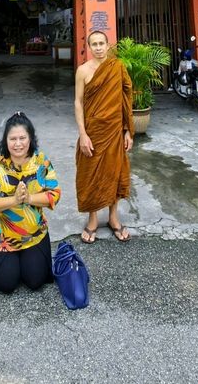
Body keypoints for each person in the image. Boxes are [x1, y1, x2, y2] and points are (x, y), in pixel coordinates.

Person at [0, 111, 61, 293]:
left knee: (35, 282)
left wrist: (30, 198)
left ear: (30, 138)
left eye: (22, 138)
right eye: (13, 139)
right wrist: (14, 200)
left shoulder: (41, 162)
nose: (18, 144)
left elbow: (54, 194)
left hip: (33, 234)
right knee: (6, 285)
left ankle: (24, 262)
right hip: (2, 237)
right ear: (5, 141)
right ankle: (13, 264)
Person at [74, 31, 134, 243]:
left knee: (114, 173)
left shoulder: (117, 68)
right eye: (94, 44)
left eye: (101, 43)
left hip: (115, 130)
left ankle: (113, 218)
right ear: (89, 47)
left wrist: (128, 129)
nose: (98, 47)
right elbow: (78, 103)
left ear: (108, 46)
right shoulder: (82, 71)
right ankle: (92, 219)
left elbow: (127, 97)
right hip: (92, 132)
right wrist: (83, 134)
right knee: (89, 174)